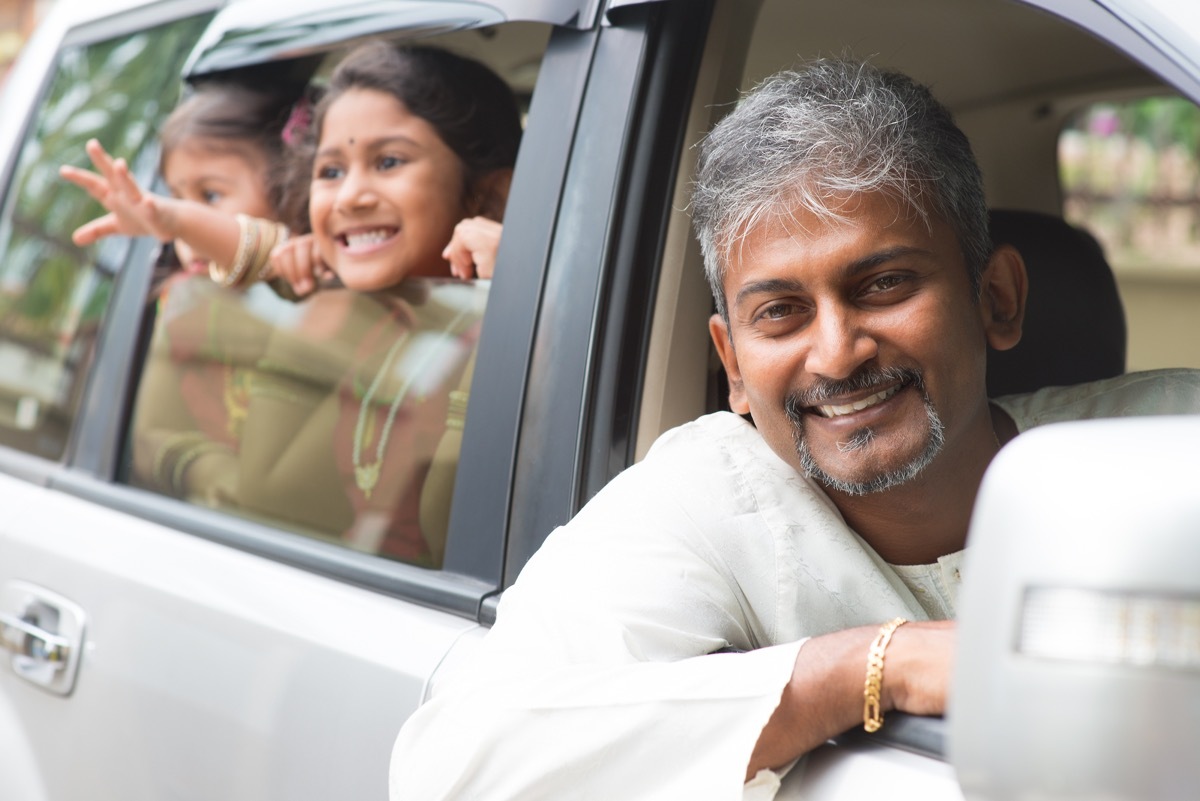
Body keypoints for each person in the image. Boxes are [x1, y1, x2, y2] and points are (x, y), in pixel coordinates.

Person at [387, 59, 1200, 798]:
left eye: (883, 284)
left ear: (996, 298)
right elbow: (452, 766)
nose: (838, 354)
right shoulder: (709, 499)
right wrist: (871, 666)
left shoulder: (1170, 441)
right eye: (780, 313)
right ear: (733, 366)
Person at [65, 42, 523, 566]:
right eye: (330, 171)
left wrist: (520, 275)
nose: (351, 196)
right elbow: (254, 249)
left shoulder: (510, 313)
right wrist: (171, 221)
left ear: (487, 198)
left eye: (388, 161)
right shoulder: (320, 280)